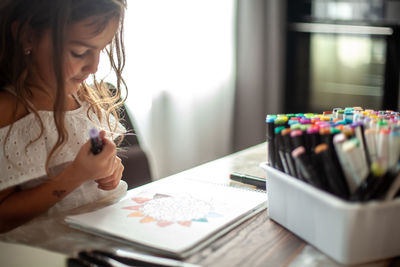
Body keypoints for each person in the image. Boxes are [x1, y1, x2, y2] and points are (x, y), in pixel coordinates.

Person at [0, 0, 128, 241]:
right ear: (28, 37)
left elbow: (92, 178)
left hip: (99, 241)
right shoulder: (9, 112)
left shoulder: (87, 99)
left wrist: (110, 170)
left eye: (102, 49)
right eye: (79, 52)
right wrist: (76, 175)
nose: (94, 67)